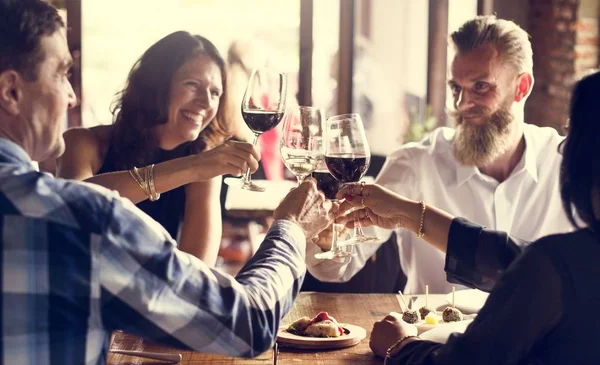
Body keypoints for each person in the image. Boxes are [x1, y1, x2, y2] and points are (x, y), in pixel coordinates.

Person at [0, 1, 334, 363]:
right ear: (10, 91)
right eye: (63, 73)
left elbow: (196, 273)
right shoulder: (86, 213)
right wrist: (292, 229)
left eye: (216, 92)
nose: (72, 96)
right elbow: (245, 322)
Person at [333, 70, 600, 364]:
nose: (563, 148)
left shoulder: (553, 263)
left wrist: (401, 346)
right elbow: (513, 257)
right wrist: (408, 214)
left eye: (572, 134)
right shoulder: (569, 257)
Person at [306, 15, 571, 294]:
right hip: (432, 336)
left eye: (481, 87)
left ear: (522, 87)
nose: (461, 103)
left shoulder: (564, 165)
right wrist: (326, 240)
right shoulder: (415, 162)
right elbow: (337, 269)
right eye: (456, 88)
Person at [56, 31, 246, 266]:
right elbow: (70, 205)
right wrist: (192, 168)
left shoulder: (203, 166)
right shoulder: (83, 143)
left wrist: (198, 168)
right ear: (155, 85)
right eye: (193, 85)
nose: (206, 103)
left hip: (157, 297)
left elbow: (199, 270)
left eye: (215, 93)